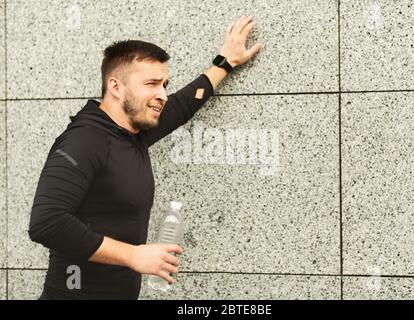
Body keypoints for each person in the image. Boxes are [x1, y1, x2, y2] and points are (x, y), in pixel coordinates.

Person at [28, 16, 263, 300]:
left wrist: (226, 61)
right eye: (151, 84)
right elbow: (46, 222)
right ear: (116, 87)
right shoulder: (86, 140)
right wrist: (133, 256)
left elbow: (183, 104)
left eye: (164, 84)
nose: (162, 94)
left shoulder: (132, 131)